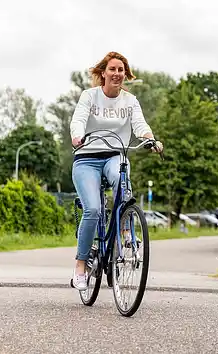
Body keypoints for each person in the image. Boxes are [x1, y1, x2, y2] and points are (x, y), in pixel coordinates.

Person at [68, 51, 163, 291]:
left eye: (121, 70)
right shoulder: (89, 96)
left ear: (125, 74)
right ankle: (81, 266)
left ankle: (126, 230)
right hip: (87, 158)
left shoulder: (130, 101)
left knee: (122, 183)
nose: (117, 73)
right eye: (112, 69)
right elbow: (78, 120)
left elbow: (139, 124)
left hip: (114, 156)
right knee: (92, 209)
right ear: (103, 73)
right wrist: (77, 136)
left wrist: (150, 139)